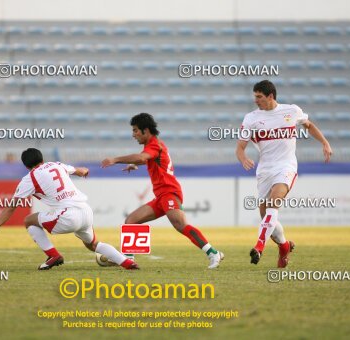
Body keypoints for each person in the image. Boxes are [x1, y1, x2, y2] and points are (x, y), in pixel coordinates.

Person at [0, 148, 139, 270]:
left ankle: (53, 256)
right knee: (93, 244)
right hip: (85, 211)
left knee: (28, 220)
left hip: (68, 215)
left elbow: (11, 207)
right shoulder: (56, 165)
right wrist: (84, 171)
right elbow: (81, 170)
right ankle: (126, 262)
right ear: (42, 158)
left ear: (26, 166)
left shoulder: (29, 178)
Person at [101, 113, 223, 269]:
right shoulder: (153, 145)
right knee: (131, 221)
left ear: (145, 130)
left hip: (169, 192)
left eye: (135, 130)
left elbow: (142, 158)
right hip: (161, 196)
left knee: (180, 224)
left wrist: (115, 159)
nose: (133, 135)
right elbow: (149, 159)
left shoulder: (154, 144)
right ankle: (128, 259)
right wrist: (136, 164)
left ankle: (213, 253)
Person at [235, 80, 333, 268]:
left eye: (259, 97)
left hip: (286, 166)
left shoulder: (291, 111)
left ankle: (259, 247)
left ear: (270, 96)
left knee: (274, 203)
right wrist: (243, 158)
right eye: (255, 97)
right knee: (266, 216)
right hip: (265, 170)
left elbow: (309, 125)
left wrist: (325, 143)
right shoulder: (251, 118)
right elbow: (239, 148)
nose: (256, 100)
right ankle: (284, 246)